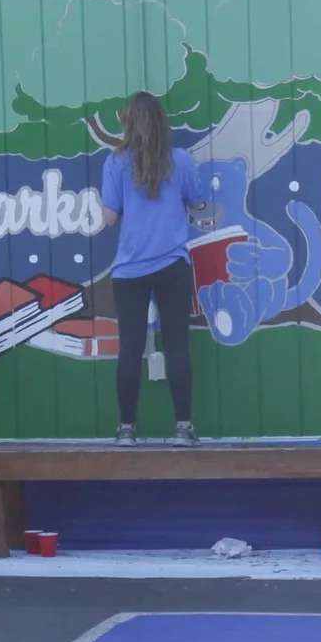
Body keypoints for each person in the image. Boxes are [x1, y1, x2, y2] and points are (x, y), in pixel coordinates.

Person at [99, 91, 211, 447]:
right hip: (172, 265)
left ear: (128, 123)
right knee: (177, 345)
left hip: (129, 269)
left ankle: (126, 430)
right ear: (162, 122)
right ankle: (183, 428)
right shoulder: (180, 160)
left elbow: (109, 217)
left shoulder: (115, 163)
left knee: (130, 350)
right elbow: (197, 202)